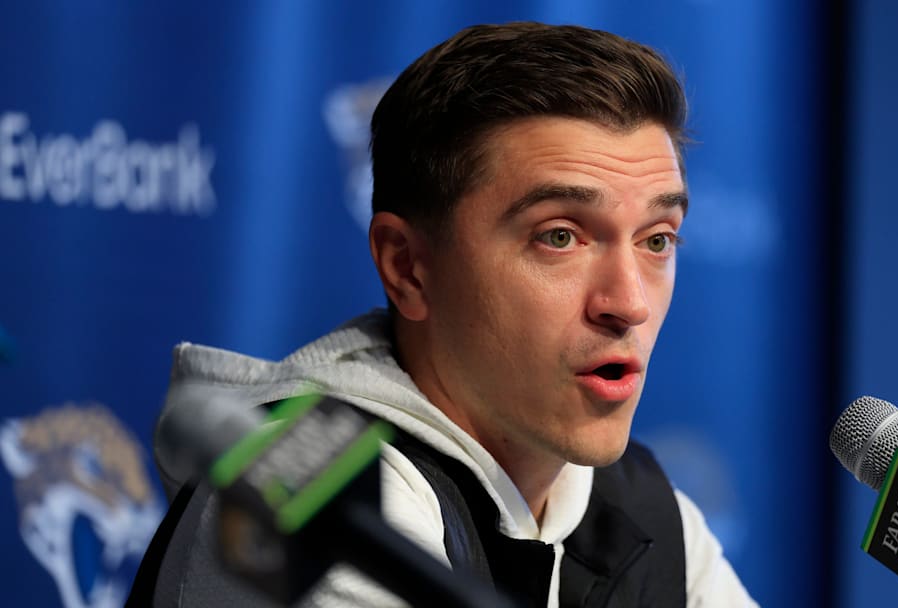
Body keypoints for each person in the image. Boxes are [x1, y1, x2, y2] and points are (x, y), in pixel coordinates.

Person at [132, 21, 757, 608]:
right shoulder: (311, 502)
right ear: (408, 267)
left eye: (656, 240)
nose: (628, 304)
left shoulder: (645, 512)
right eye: (560, 236)